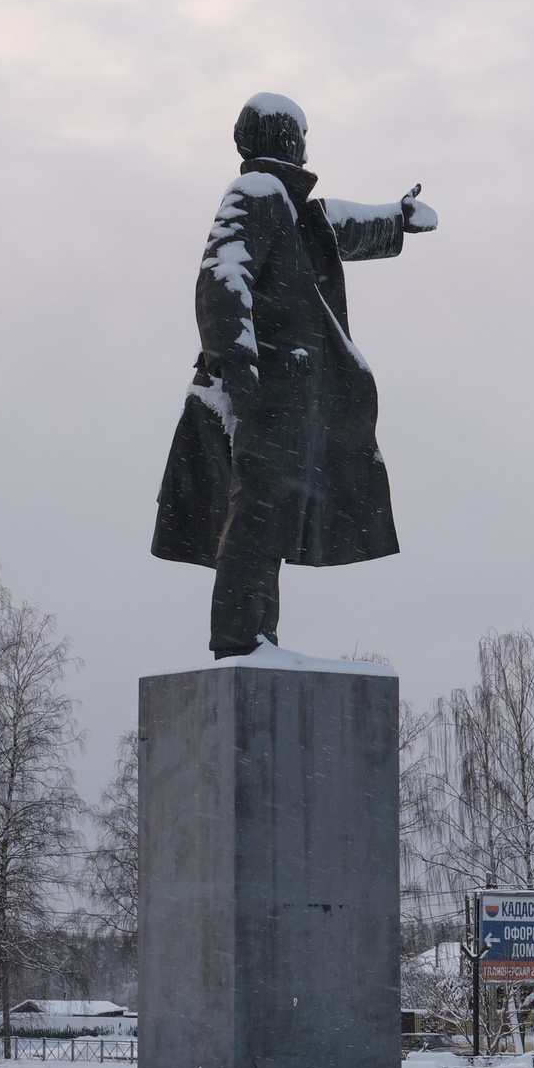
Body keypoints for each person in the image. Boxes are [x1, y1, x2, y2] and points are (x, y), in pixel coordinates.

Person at [153, 93, 438, 657]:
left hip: (286, 395)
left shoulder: (296, 210)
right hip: (262, 392)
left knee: (270, 519)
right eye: (300, 135)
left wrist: (394, 219)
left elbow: (339, 226)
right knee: (257, 518)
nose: (306, 145)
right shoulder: (256, 195)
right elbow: (222, 278)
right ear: (286, 140)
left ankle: (259, 640)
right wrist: (238, 368)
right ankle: (241, 641)